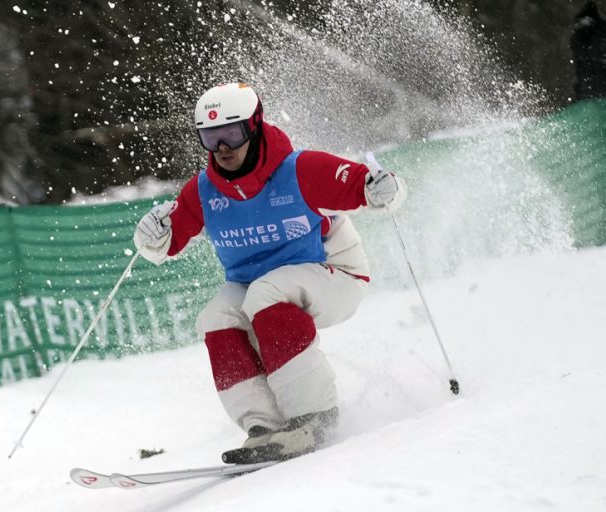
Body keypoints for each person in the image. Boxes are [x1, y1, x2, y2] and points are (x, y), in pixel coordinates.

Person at [134, 83, 406, 463]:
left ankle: (314, 418)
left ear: (255, 126)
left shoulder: (299, 169)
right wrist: (150, 237)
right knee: (215, 317)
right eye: (210, 138)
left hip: (337, 274)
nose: (222, 148)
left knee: (267, 291)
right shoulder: (204, 191)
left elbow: (370, 187)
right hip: (256, 287)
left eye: (232, 133)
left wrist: (386, 188)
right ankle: (266, 427)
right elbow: (165, 243)